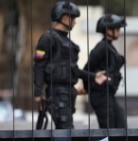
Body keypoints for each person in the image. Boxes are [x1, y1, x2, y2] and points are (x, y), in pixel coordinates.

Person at [33, 1, 109, 140]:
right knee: (65, 130)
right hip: (57, 92)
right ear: (64, 17)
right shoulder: (48, 38)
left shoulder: (69, 44)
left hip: (68, 92)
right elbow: (38, 65)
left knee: (66, 130)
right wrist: (38, 93)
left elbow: (74, 70)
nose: (74, 22)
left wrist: (93, 77)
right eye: (73, 18)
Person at [83, 14, 127, 129]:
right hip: (100, 95)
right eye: (117, 29)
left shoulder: (109, 47)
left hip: (108, 94)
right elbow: (87, 69)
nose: (119, 32)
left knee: (120, 124)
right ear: (108, 30)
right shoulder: (102, 47)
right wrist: (89, 87)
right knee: (107, 128)